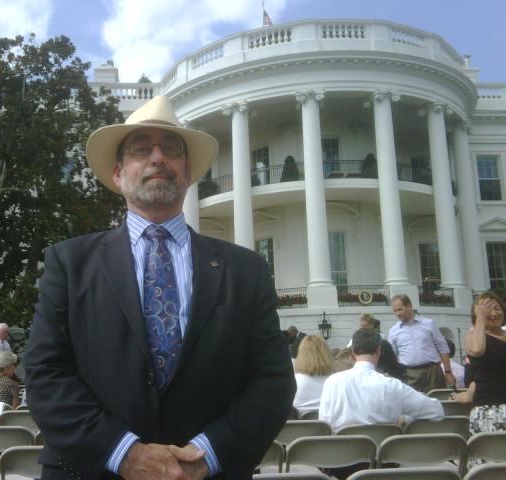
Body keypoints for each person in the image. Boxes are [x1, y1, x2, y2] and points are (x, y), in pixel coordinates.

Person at [24, 95, 294, 480]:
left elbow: (272, 379)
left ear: (188, 173)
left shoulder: (245, 269)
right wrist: (125, 454)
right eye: (140, 150)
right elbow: (44, 371)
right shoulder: (69, 263)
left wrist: (209, 453)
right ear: (119, 173)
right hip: (93, 470)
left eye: (170, 149)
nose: (157, 158)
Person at [319, 328, 444, 432]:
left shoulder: (331, 382)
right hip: (383, 459)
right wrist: (405, 418)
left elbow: (324, 424)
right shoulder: (393, 385)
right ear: (379, 351)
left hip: (340, 459)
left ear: (352, 353)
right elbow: (437, 410)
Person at [453, 292, 506, 442]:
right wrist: (480, 320)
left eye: (497, 308)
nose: (494, 313)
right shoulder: (474, 335)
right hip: (489, 408)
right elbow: (477, 350)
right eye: (487, 310)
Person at [388, 294, 455, 392]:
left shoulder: (429, 324)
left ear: (409, 306)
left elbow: (443, 348)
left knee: (437, 402)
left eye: (400, 309)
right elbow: (393, 356)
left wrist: (448, 372)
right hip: (409, 374)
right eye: (395, 311)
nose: (397, 313)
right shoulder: (394, 331)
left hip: (433, 372)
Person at [293, 336, 334, 416]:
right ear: (326, 353)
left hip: (299, 426)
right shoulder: (336, 380)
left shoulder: (293, 381)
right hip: (327, 427)